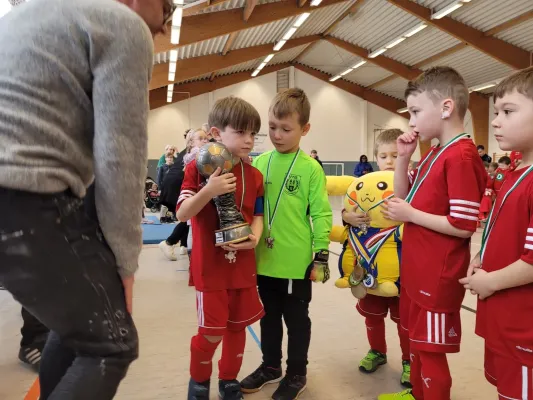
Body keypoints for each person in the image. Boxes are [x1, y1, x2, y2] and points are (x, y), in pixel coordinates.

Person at [0, 0, 174, 398]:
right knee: (111, 345)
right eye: (165, 11)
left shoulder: (28, 14)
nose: (163, 29)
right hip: (22, 197)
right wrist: (126, 262)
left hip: (22, 194)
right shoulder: (121, 24)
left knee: (78, 325)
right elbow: (120, 154)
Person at [379, 67, 486, 400]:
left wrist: (410, 215)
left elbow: (464, 224)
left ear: (445, 108)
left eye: (415, 111)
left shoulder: (462, 156)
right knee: (417, 345)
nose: (411, 122)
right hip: (417, 270)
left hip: (437, 278)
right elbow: (402, 195)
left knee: (431, 351)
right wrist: (403, 160)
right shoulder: (436, 152)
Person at [240, 88, 332, 400]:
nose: (277, 135)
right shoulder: (259, 162)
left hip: (296, 262)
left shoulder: (310, 168)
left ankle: (296, 373)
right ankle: (270, 366)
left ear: (304, 129)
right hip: (263, 258)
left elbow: (321, 212)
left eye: (286, 129)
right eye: (272, 128)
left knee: (296, 320)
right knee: (267, 317)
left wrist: (321, 253)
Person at [176, 97, 265, 400]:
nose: (249, 140)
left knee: (237, 329)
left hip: (243, 267)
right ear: (216, 133)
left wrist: (254, 236)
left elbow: (258, 216)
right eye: (241, 132)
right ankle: (199, 381)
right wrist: (209, 190)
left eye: (254, 133)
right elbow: (182, 214)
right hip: (210, 268)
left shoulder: (255, 175)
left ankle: (229, 380)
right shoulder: (196, 168)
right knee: (211, 332)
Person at [459, 66, 533, 400]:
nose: (494, 121)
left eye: (508, 112)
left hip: (524, 326)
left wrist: (490, 281)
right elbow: (505, 231)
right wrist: (480, 256)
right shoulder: (516, 174)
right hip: (504, 319)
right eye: (495, 111)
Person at [343, 129, 411, 387]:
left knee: (404, 320)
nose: (390, 161)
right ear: (376, 158)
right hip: (370, 266)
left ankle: (408, 360)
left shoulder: (411, 184)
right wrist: (347, 217)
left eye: (395, 155)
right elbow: (350, 206)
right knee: (372, 315)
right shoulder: (367, 182)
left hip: (400, 269)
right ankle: (377, 351)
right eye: (384, 155)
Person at [159, 128, 208, 261]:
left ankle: (184, 245)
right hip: (175, 187)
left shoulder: (187, 152)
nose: (205, 140)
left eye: (206, 138)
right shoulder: (197, 154)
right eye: (201, 138)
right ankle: (169, 242)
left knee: (190, 217)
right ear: (191, 142)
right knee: (189, 216)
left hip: (174, 185)